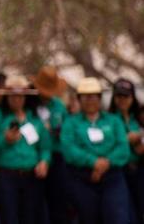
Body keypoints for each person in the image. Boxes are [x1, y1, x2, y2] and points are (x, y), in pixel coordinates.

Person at [60, 77, 130, 224]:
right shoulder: (71, 122)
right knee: (88, 217)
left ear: (99, 98)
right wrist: (93, 162)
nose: (90, 101)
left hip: (112, 177)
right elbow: (68, 148)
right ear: (79, 99)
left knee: (117, 216)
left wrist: (106, 163)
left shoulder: (113, 121)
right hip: (83, 178)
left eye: (93, 96)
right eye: (86, 97)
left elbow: (123, 147)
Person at [0, 76, 51, 224]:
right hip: (7, 176)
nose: (17, 99)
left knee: (30, 218)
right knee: (8, 218)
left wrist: (44, 161)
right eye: (13, 95)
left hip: (31, 177)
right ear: (7, 96)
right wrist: (5, 140)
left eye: (20, 96)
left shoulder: (34, 119)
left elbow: (45, 146)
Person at [32, 65, 72, 224]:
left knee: (58, 203)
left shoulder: (59, 106)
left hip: (57, 157)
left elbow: (67, 130)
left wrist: (58, 131)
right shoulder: (31, 105)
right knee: (37, 205)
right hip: (36, 157)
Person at [108, 78, 144, 224]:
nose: (122, 100)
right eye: (119, 96)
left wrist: (139, 139)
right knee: (126, 212)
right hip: (120, 171)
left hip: (139, 170)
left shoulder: (138, 118)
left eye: (126, 96)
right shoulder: (109, 120)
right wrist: (126, 139)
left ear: (132, 98)